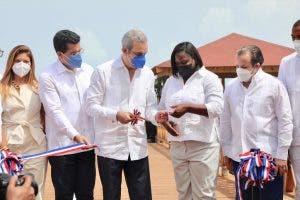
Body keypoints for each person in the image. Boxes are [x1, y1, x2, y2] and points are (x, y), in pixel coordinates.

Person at [85, 29, 167, 200]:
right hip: (109, 148)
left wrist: (156, 117)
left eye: (145, 53)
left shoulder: (147, 74)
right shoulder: (103, 71)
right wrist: (116, 114)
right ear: (124, 50)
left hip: (137, 147)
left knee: (142, 196)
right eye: (138, 54)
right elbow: (90, 106)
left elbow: (150, 108)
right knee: (111, 196)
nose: (143, 58)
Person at [220, 45, 293, 200]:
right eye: (237, 66)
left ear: (257, 66)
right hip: (239, 157)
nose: (239, 70)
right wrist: (226, 151)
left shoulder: (274, 85)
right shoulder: (231, 87)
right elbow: (225, 120)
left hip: (270, 158)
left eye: (244, 67)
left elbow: (285, 121)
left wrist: (282, 155)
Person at [157, 42, 223, 199]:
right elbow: (161, 109)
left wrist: (188, 108)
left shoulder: (209, 79)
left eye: (185, 62)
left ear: (195, 58)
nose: (181, 66)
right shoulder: (170, 81)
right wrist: (165, 122)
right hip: (178, 145)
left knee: (203, 194)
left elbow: (217, 108)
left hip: (203, 146)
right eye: (177, 63)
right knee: (183, 194)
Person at [39, 30, 95, 200]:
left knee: (86, 194)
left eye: (80, 51)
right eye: (73, 53)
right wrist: (75, 135)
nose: (78, 56)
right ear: (60, 54)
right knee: (64, 195)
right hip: (62, 147)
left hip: (87, 145)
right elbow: (54, 111)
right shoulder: (47, 76)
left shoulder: (88, 71)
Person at [0, 45, 47, 200]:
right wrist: (3, 146)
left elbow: (45, 115)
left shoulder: (39, 86)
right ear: (11, 63)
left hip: (36, 145)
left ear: (31, 64)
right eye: (18, 60)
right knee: (10, 190)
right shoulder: (2, 86)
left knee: (35, 189)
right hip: (10, 146)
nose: (22, 65)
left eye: (26, 61)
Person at [278, 19, 300, 200]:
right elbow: (282, 103)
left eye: (299, 37)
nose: (296, 41)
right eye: (293, 37)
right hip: (297, 137)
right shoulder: (286, 63)